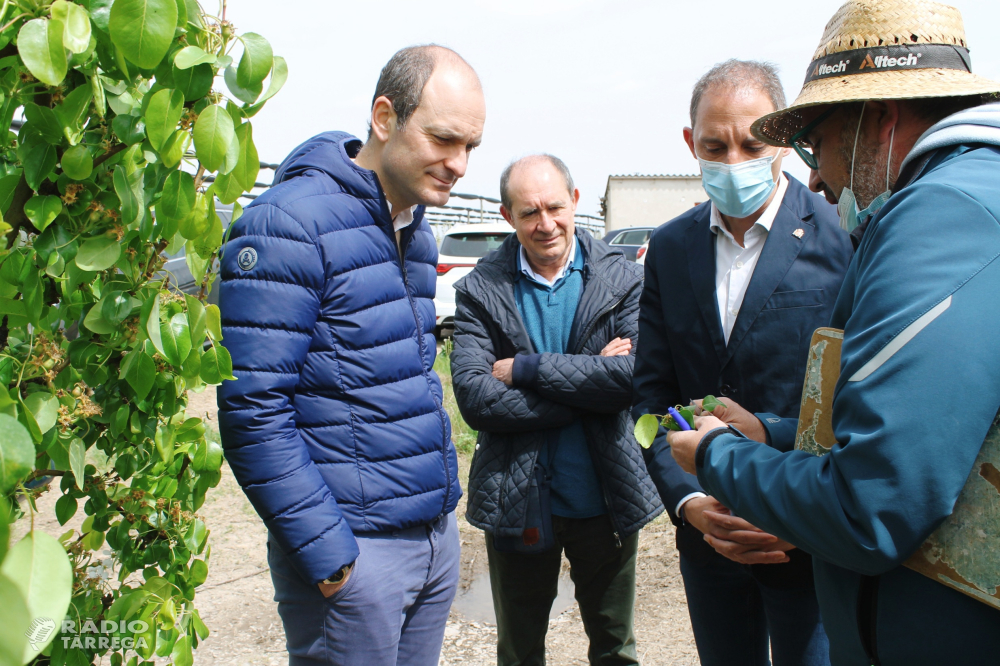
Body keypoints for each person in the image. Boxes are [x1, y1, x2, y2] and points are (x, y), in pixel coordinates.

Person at [666, 1, 1000, 664]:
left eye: (817, 145)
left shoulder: (938, 219)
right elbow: (924, 422)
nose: (816, 176)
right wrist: (779, 436)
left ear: (878, 121)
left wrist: (717, 457)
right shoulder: (962, 203)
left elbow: (869, 507)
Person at [216, 45, 485, 666]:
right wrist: (327, 554)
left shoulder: (415, 230)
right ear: (385, 118)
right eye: (445, 139)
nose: (460, 164)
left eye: (471, 145)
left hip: (429, 536)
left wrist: (440, 535)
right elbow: (254, 408)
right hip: (355, 552)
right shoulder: (288, 223)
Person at [631, 60, 853, 666]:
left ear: (782, 138)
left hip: (805, 536)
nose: (733, 162)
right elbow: (653, 399)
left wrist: (802, 510)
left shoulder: (841, 233)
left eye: (752, 143)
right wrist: (690, 503)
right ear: (689, 143)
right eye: (714, 145)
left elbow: (855, 394)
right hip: (710, 538)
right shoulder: (671, 249)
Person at [451, 154, 663, 665]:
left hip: (603, 496)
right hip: (518, 496)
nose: (544, 224)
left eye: (553, 207)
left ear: (574, 200)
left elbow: (632, 379)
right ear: (508, 217)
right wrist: (587, 385)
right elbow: (476, 398)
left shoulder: (622, 279)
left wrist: (526, 369)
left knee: (615, 646)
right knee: (520, 650)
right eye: (528, 213)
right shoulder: (482, 289)